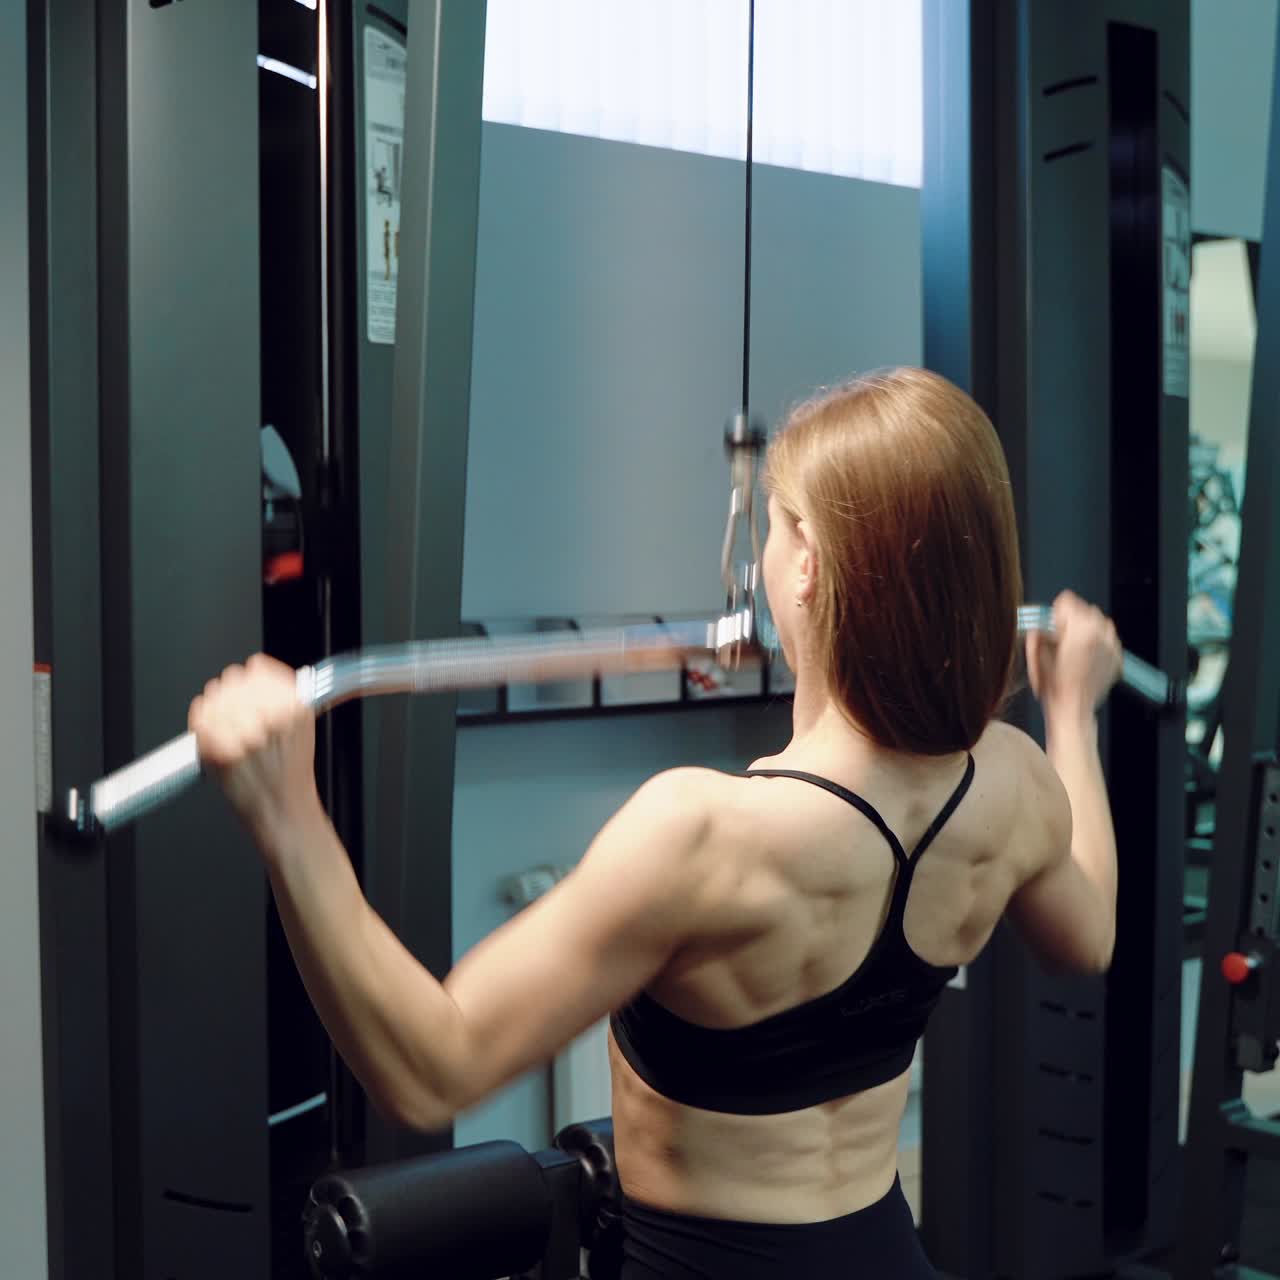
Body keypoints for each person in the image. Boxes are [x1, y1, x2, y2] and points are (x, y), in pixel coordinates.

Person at [189, 366, 1122, 1279]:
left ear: (807, 567)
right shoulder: (1012, 784)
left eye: (773, 530)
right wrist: (1072, 710)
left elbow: (434, 1066)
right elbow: (1087, 938)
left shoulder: (705, 837)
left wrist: (289, 816)